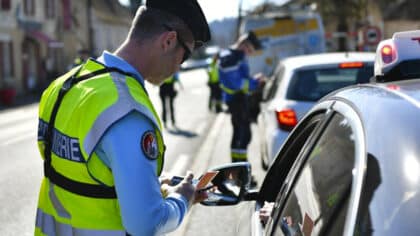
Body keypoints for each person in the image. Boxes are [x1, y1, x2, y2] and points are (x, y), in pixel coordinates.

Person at [35, 0, 210, 235]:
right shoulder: (128, 110)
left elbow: (81, 175)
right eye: (185, 55)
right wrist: (183, 198)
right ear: (168, 41)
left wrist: (151, 186)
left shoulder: (63, 86)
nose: (179, 67)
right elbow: (146, 223)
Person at [218, 31, 265, 164]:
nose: (249, 53)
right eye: (249, 49)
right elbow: (237, 83)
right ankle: (239, 173)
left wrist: (253, 80)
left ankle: (239, 171)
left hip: (239, 99)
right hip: (235, 101)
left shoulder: (237, 56)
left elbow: (242, 79)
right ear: (243, 43)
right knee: (242, 136)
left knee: (243, 136)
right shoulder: (230, 58)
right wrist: (255, 83)